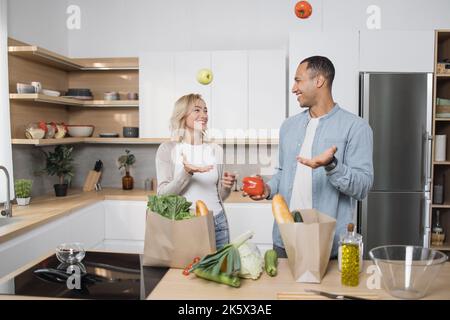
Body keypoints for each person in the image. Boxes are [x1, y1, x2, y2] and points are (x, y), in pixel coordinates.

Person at [245, 56, 374, 258]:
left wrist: (332, 165)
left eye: (298, 80)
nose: (293, 88)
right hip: (285, 239)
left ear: (319, 81)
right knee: (280, 290)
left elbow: (362, 188)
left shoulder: (356, 127)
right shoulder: (289, 127)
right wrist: (267, 188)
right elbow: (283, 173)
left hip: (326, 243)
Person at [155, 93, 236, 249]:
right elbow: (162, 196)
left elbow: (220, 196)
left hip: (218, 223)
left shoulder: (216, 150)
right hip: (186, 223)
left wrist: (226, 187)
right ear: (182, 115)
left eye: (205, 110)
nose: (204, 115)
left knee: (220, 271)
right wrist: (186, 172)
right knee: (187, 272)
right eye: (197, 110)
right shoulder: (168, 149)